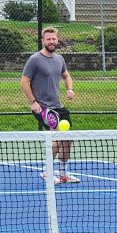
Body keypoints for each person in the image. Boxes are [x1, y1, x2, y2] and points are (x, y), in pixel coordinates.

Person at [20, 27, 79, 185]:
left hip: (58, 106)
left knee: (67, 140)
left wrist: (70, 89)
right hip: (43, 108)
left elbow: (66, 76)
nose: (51, 41)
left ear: (57, 40)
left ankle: (63, 173)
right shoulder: (35, 60)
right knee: (55, 135)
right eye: (48, 39)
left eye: (54, 39)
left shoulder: (59, 59)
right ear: (43, 41)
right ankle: (47, 171)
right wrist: (33, 102)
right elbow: (24, 82)